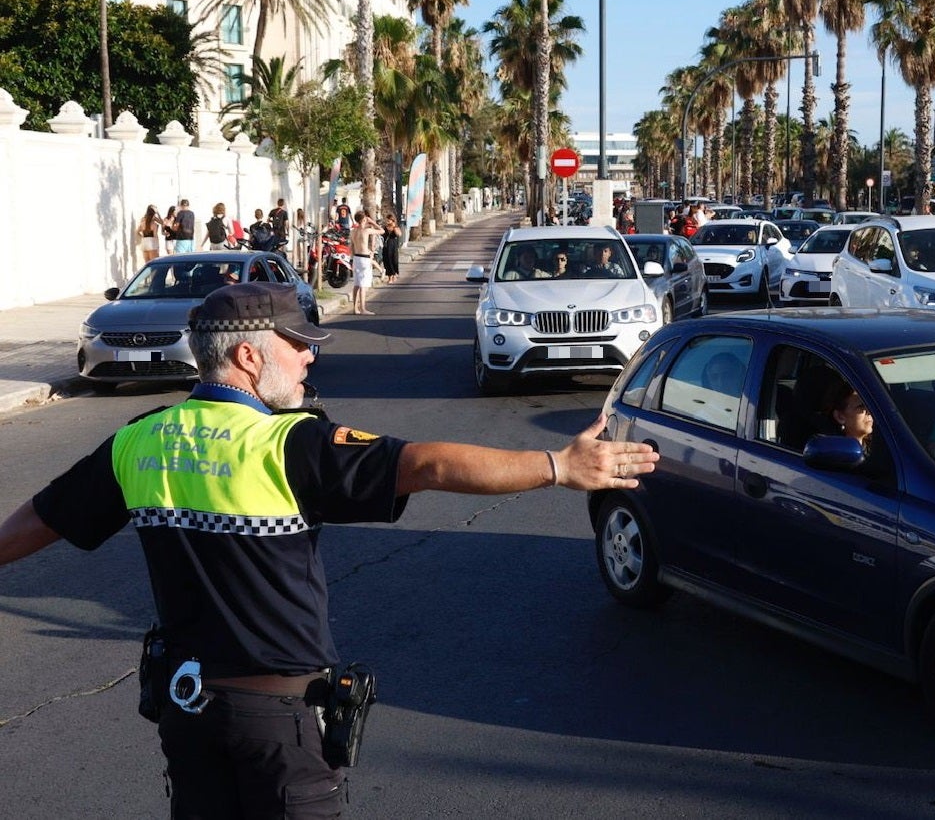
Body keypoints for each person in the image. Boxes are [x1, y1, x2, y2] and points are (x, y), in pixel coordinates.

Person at [0, 281, 658, 820]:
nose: (310, 357)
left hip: (187, 711)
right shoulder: (287, 444)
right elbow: (424, 464)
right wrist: (555, 464)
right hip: (274, 725)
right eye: (298, 345)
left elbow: (43, 516)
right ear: (249, 358)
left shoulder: (137, 440)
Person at [350, 210, 384, 314]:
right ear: (364, 219)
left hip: (356, 257)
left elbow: (351, 246)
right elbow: (382, 231)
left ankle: (355, 308)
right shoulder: (367, 230)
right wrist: (373, 222)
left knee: (356, 284)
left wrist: (352, 258)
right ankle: (363, 308)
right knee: (363, 285)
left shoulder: (353, 231)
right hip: (364, 258)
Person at [824, 380, 874, 451]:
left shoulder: (879, 448)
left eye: (869, 406)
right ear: (840, 417)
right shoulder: (834, 455)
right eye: (861, 406)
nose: (869, 412)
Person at [381, 214, 403, 284]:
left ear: (392, 220)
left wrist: (394, 227)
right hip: (386, 246)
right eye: (386, 220)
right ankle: (390, 277)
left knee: (394, 260)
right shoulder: (385, 227)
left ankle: (394, 275)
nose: (387, 221)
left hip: (393, 246)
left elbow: (399, 234)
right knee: (387, 261)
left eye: (389, 220)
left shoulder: (395, 227)